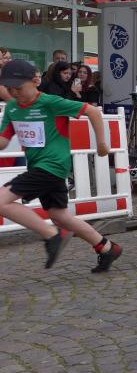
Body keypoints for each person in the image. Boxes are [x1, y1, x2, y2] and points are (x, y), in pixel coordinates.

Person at [0, 60, 123, 272]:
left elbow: (92, 112)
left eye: (18, 88)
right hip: (38, 167)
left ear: (35, 81)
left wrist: (102, 144)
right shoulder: (12, 108)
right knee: (60, 216)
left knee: (1, 201)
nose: (14, 93)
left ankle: (51, 235)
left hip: (53, 165)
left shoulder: (50, 102)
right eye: (9, 89)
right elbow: (3, 141)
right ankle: (107, 248)